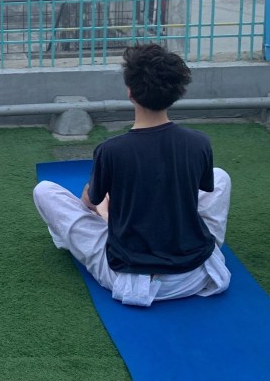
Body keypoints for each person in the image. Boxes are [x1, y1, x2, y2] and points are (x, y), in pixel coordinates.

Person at [33, 43, 231, 307]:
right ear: (178, 91)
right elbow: (201, 191)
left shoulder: (111, 150)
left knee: (44, 191)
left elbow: (90, 203)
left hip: (133, 279)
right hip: (198, 273)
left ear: (130, 92)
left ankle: (69, 241)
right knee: (220, 177)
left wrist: (103, 208)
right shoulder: (199, 142)